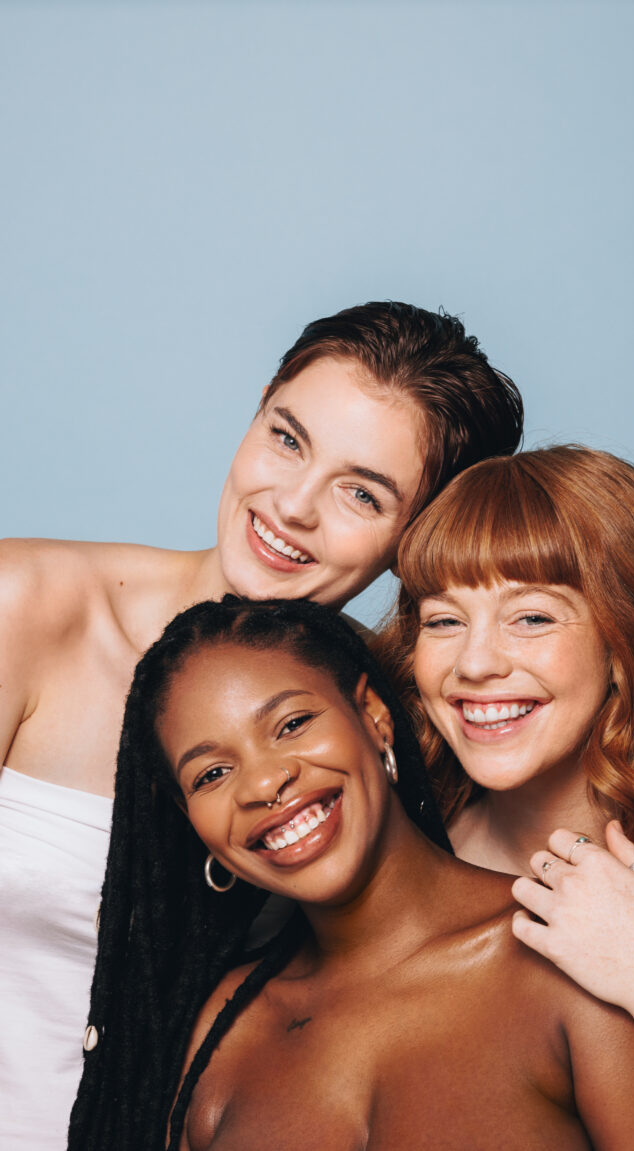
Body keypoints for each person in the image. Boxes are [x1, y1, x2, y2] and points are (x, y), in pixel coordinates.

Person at [0, 300, 524, 1150]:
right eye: (287, 437)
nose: (293, 505)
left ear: (415, 537)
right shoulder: (23, 608)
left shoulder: (386, 726)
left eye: (362, 491)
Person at [70, 596, 634, 1151]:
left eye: (291, 725)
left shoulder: (568, 955)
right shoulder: (219, 1032)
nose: (262, 784)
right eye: (211, 775)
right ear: (190, 818)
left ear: (373, 715)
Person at [380, 445, 634, 1151]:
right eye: (443, 620)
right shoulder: (406, 863)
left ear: (627, 643)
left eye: (531, 618)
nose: (475, 663)